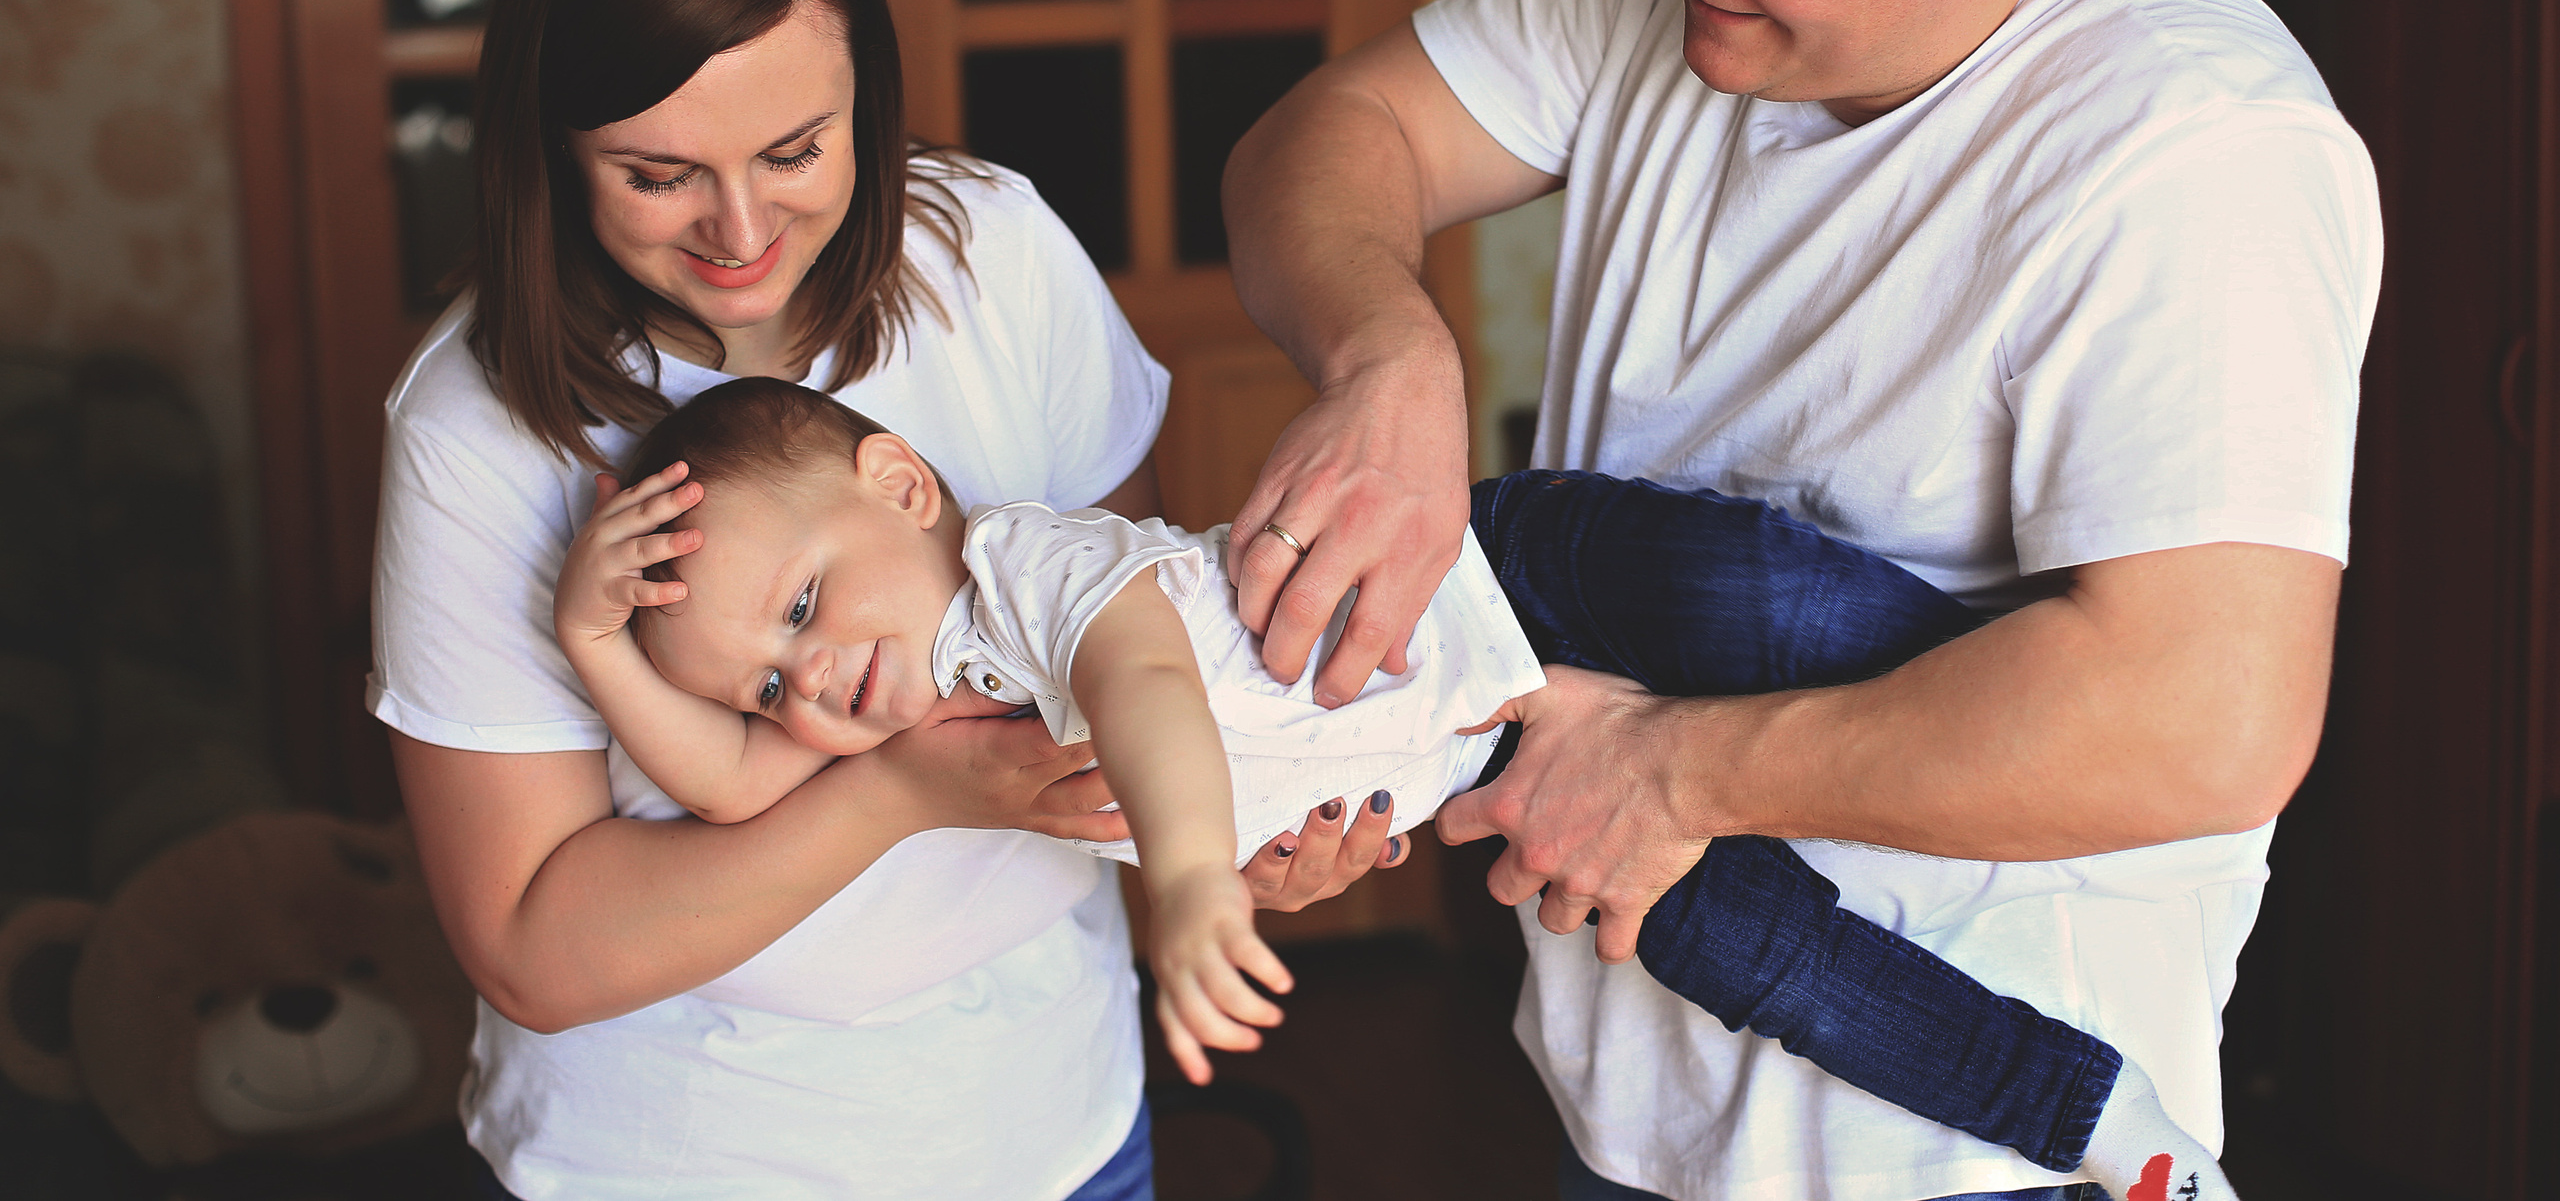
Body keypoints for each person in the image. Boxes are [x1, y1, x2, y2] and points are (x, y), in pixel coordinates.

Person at [1220, 0, 2381, 1201]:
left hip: (1954, 1149)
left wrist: (1672, 770)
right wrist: (1385, 355)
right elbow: (1325, 143)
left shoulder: (2197, 150)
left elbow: (2206, 721)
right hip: (1631, 1099)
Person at [367, 0, 1389, 1201]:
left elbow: (1151, 634)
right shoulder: (474, 424)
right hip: (686, 1155)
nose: (739, 234)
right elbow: (532, 950)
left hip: (1054, 1122)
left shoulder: (994, 255)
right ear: (550, 149)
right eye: (659, 176)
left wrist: (1232, 841)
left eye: (796, 150)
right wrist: (903, 788)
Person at [556, 374, 2233, 1200]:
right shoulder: (928, 729)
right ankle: (2104, 1130)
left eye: (799, 608)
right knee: (1772, 967)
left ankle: (2061, 704)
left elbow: (1146, 685)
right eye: (773, 685)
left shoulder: (1018, 572)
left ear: (898, 485)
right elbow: (723, 792)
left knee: (1788, 614)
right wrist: (603, 647)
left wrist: (1194, 878)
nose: (811, 680)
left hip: (1506, 581)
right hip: (1500, 756)